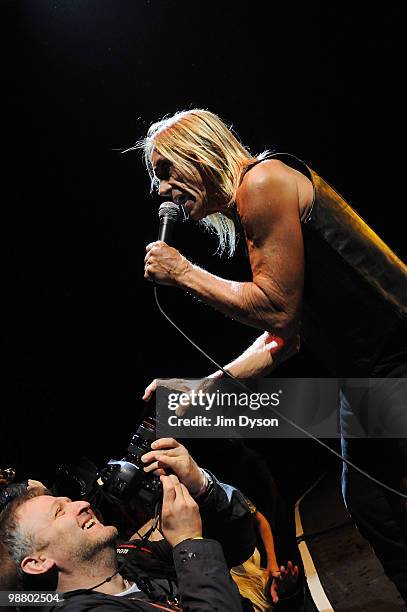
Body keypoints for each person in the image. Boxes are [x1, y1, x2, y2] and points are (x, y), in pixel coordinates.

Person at [140, 109, 407, 600]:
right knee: (372, 501)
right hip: (366, 374)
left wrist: (183, 273)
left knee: (379, 501)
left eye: (164, 170)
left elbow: (277, 311)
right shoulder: (254, 202)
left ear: (196, 153)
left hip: (395, 356)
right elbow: (286, 338)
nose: (160, 190)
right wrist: (205, 389)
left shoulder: (261, 183)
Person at [0, 438, 260, 611]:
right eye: (59, 512)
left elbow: (235, 548)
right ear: (37, 562)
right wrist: (188, 543)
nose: (81, 505)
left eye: (69, 500)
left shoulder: (133, 557)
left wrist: (201, 487)